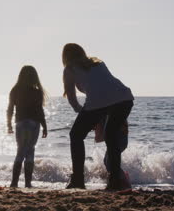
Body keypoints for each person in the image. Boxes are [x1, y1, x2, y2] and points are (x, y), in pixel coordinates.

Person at [62, 43, 134, 190]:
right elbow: (104, 87)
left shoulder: (69, 69)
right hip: (124, 98)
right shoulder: (97, 62)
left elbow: (71, 97)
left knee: (76, 135)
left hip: (102, 102)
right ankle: (115, 181)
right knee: (111, 136)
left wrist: (80, 111)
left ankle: (78, 180)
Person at [7, 66, 48, 188]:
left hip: (20, 124)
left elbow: (10, 109)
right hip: (34, 124)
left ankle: (14, 183)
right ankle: (27, 183)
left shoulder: (15, 90)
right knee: (30, 152)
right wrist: (44, 126)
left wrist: (9, 125)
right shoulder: (37, 92)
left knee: (20, 151)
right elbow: (40, 111)